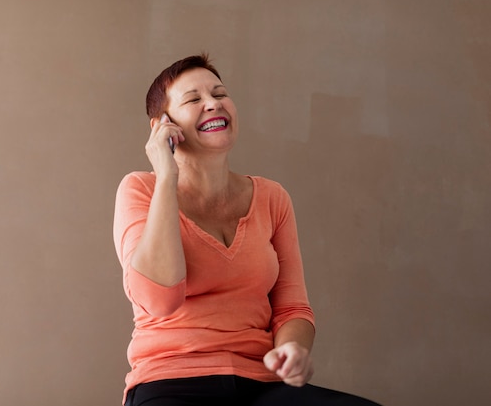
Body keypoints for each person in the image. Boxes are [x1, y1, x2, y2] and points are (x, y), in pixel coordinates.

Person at [113, 54, 381, 406]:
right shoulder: (141, 189)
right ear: (162, 125)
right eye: (193, 99)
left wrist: (291, 351)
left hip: (262, 385)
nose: (212, 103)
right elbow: (160, 300)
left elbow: (292, 309)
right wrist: (166, 177)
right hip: (170, 381)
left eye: (220, 94)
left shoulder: (272, 197)